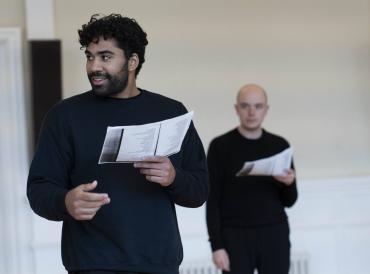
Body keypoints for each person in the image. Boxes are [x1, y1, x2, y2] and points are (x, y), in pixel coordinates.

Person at [27, 14, 208, 274]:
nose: (93, 66)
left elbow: (199, 191)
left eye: (105, 57)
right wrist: (65, 201)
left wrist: (173, 177)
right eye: (89, 56)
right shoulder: (64, 116)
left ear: (132, 61)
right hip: (92, 265)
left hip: (159, 264)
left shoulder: (171, 112)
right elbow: (39, 189)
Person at [206, 84, 298, 274]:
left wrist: (289, 184)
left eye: (258, 106)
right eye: (245, 105)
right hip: (234, 236)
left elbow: (290, 201)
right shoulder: (220, 146)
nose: (251, 112)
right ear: (236, 109)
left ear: (266, 109)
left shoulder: (280, 145)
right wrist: (217, 246)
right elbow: (212, 200)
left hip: (275, 234)